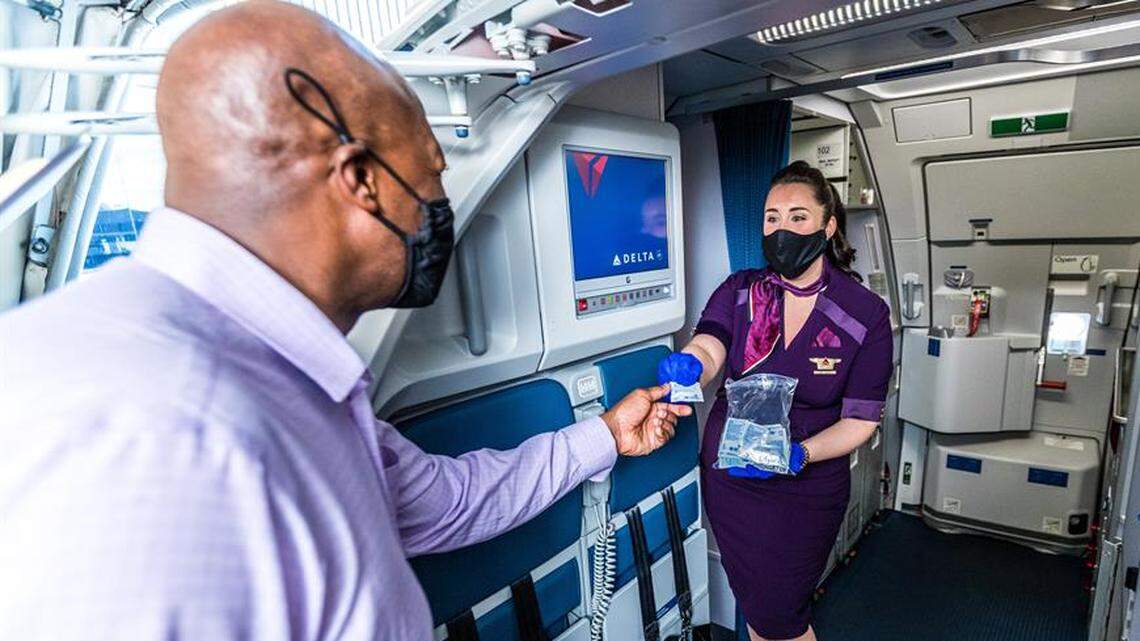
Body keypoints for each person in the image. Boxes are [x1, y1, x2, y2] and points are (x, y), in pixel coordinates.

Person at [0, 2, 692, 639]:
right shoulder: (152, 436)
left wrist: (602, 434)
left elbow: (445, 503)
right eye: (429, 173)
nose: (437, 205)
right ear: (362, 180)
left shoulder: (287, 375)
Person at [660, 161, 893, 641]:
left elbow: (860, 420)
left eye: (797, 216)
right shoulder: (741, 290)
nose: (781, 229)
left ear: (828, 227)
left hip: (806, 487)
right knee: (761, 608)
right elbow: (711, 343)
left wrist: (797, 455)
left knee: (779, 616)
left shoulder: (863, 313)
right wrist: (691, 364)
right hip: (732, 480)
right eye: (771, 217)